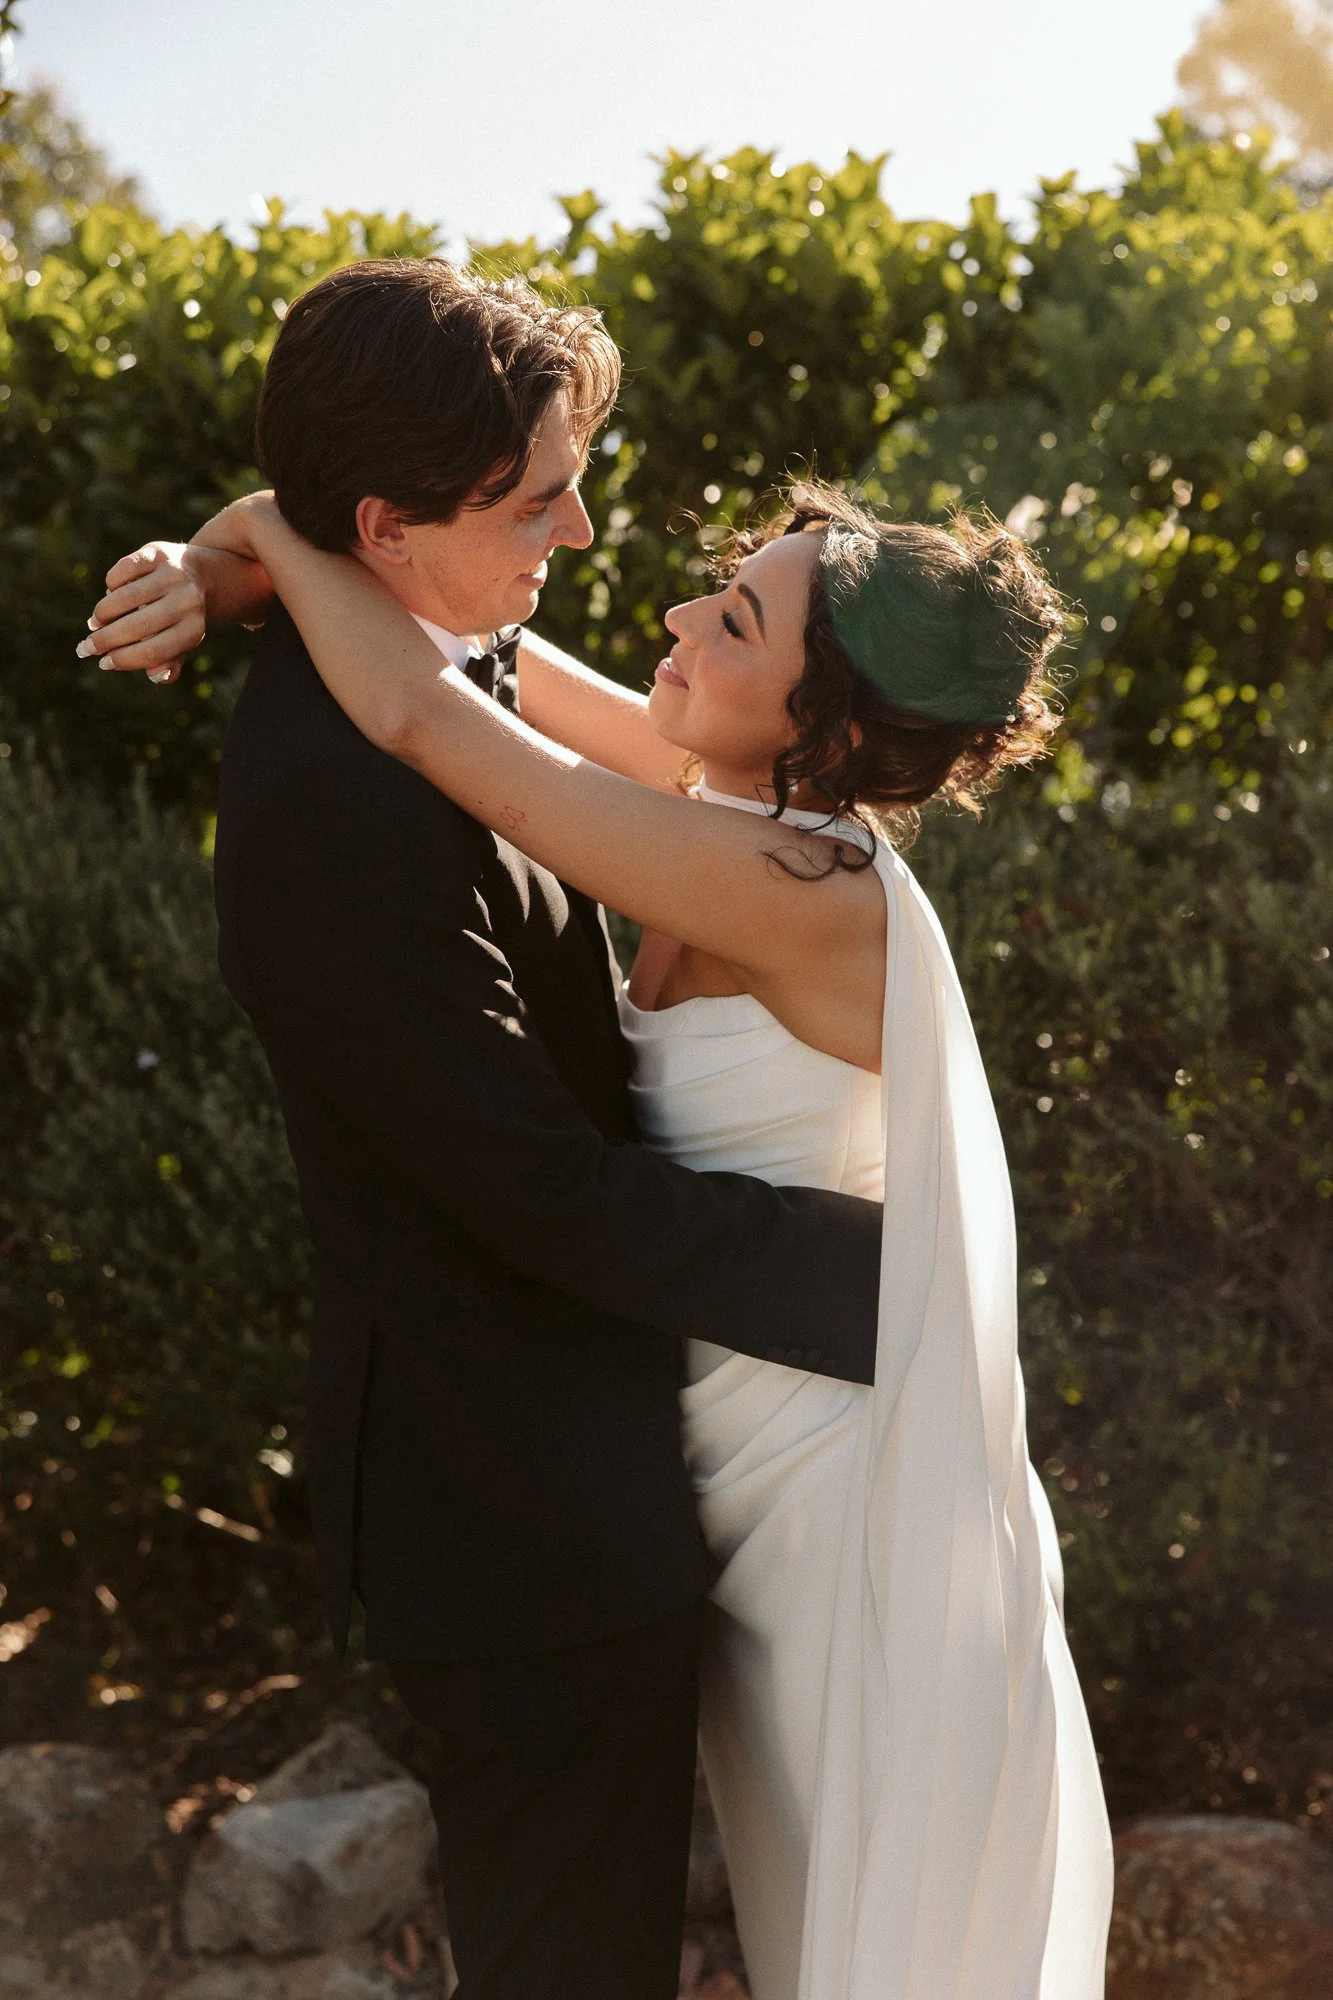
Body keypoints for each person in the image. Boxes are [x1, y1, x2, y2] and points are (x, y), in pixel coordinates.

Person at [89, 411, 1115, 1989]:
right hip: (729, 1468)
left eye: (737, 620)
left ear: (823, 726)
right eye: (720, 588)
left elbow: (433, 718)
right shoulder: (722, 803)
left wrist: (283, 545)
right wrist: (226, 561)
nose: (679, 618)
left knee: (880, 1952)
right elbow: (459, 645)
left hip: (843, 1503)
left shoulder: (806, 885)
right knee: (806, 1931)